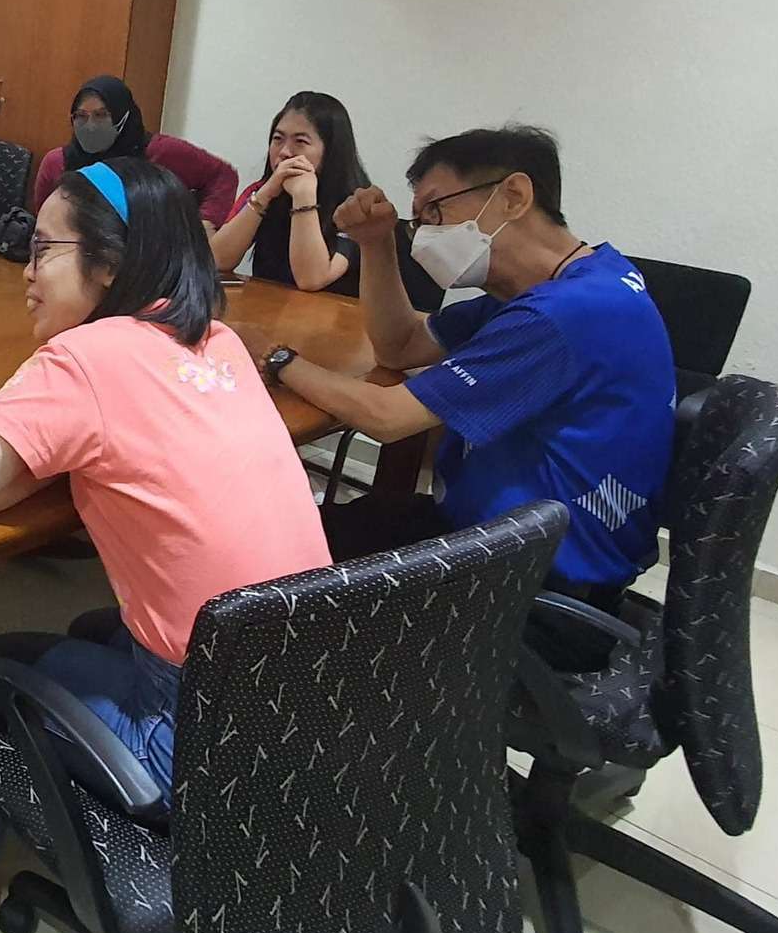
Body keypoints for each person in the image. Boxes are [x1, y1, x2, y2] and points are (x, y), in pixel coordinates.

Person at [0, 157, 332, 914]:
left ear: (112, 265)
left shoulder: (87, 356)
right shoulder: (218, 339)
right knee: (96, 626)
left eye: (44, 250)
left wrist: (47, 451)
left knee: (0, 664)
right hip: (310, 696)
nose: (27, 272)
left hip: (200, 741)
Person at [261, 125, 674, 652]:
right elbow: (400, 347)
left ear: (514, 196)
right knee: (291, 534)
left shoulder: (564, 314)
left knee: (272, 571)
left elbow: (388, 417)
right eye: (419, 219)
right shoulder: (570, 282)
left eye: (436, 210)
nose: (426, 234)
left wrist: (281, 361)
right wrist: (376, 243)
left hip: (530, 594)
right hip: (497, 544)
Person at [210, 91, 370, 294]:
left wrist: (303, 196)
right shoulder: (260, 192)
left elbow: (311, 280)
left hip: (334, 311)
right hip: (268, 307)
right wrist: (265, 195)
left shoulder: (356, 205)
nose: (285, 152)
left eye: (300, 141)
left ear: (331, 151)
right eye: (278, 139)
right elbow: (217, 261)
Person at [29, 76, 238, 229]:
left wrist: (205, 223)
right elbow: (45, 224)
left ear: (124, 116)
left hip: (150, 259)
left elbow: (223, 175)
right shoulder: (57, 162)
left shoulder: (160, 152)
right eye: (81, 116)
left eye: (101, 115)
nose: (90, 126)